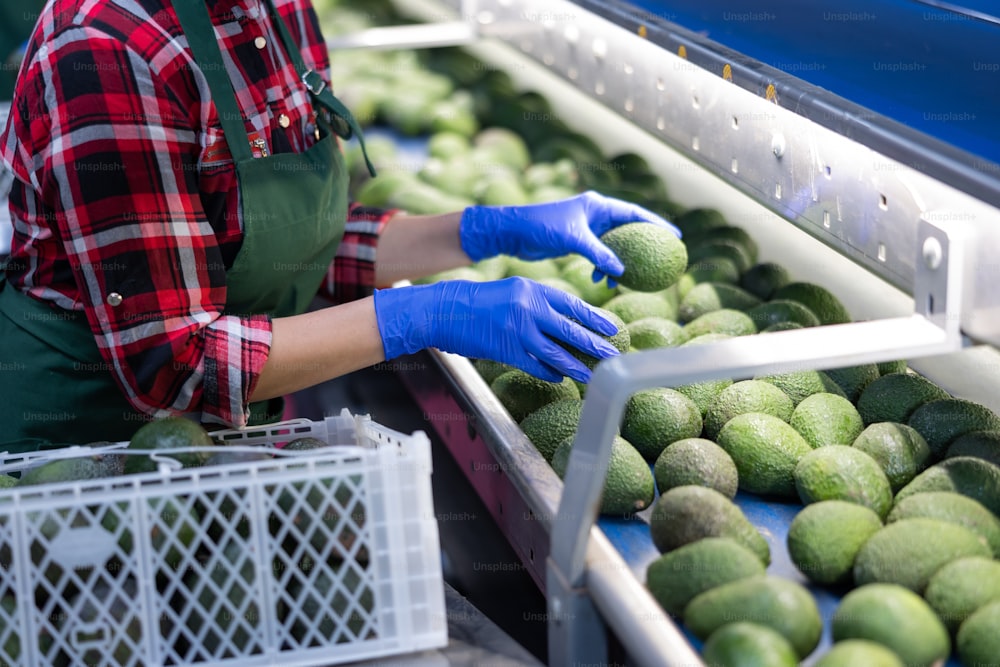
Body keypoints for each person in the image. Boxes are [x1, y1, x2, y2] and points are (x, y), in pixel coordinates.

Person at [0, 0, 676, 452]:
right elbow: (176, 363)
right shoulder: (104, 49)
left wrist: (484, 231)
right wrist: (419, 313)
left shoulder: (276, 10)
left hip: (221, 443)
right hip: (87, 459)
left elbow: (275, 245)